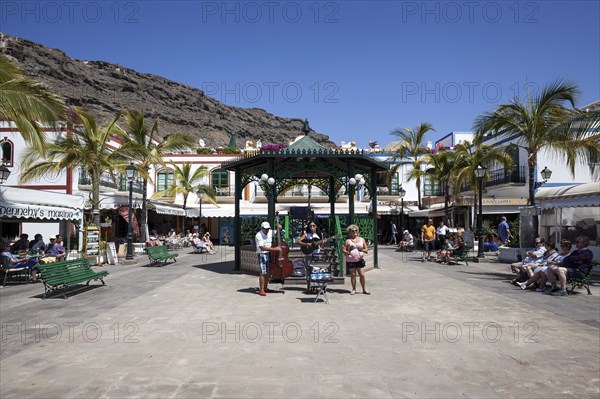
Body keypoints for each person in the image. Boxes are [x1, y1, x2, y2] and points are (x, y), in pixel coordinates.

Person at [255, 221, 282, 296]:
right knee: (263, 272)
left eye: (268, 229)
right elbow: (262, 247)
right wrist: (274, 249)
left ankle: (266, 288)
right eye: (265, 229)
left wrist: (279, 227)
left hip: (269, 253)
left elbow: (277, 232)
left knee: (268, 271)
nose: (267, 230)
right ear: (262, 228)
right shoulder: (258, 235)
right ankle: (262, 289)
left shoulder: (270, 232)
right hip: (262, 254)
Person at [342, 224, 370, 295]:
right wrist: (347, 252)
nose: (354, 232)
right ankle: (353, 289)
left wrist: (362, 249)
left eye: (356, 230)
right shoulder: (348, 241)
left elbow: (366, 249)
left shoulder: (362, 239)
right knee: (353, 275)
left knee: (362, 275)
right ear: (349, 232)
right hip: (351, 260)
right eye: (352, 231)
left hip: (359, 260)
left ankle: (364, 289)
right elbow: (343, 249)